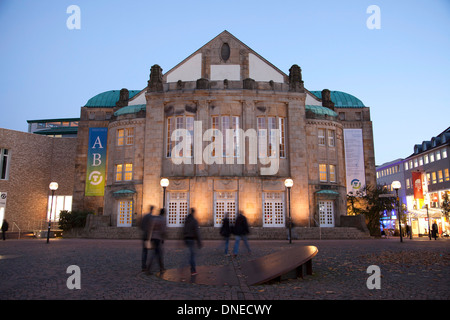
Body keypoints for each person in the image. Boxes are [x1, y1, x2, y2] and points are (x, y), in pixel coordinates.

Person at [147, 208, 167, 274]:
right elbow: (163, 230)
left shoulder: (155, 219)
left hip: (153, 237)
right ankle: (151, 269)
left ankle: (161, 267)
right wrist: (163, 239)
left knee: (157, 253)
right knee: (157, 254)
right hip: (158, 238)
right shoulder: (163, 220)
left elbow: (151, 228)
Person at [183, 208, 202, 275]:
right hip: (191, 239)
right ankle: (193, 270)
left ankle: (187, 265)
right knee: (192, 255)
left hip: (187, 239)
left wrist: (184, 238)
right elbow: (197, 232)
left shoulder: (187, 220)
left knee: (191, 253)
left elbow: (184, 229)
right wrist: (199, 242)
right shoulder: (194, 221)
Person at [140, 206, 154, 271]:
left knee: (144, 251)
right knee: (153, 251)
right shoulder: (150, 217)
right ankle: (149, 266)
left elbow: (141, 225)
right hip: (149, 236)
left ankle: (143, 266)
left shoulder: (145, 216)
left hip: (144, 235)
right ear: (152, 210)